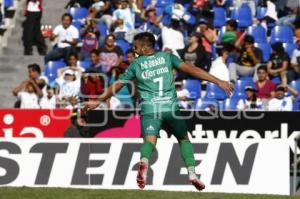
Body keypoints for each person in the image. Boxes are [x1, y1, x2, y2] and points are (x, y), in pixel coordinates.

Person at [85, 32, 233, 190]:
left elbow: (118, 84)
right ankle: (192, 173)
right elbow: (191, 69)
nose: (134, 50)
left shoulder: (136, 64)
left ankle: (144, 162)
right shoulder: (167, 57)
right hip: (170, 107)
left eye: (136, 47)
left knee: (149, 142)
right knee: (183, 139)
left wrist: (98, 100)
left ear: (144, 47)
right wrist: (218, 81)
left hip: (150, 108)